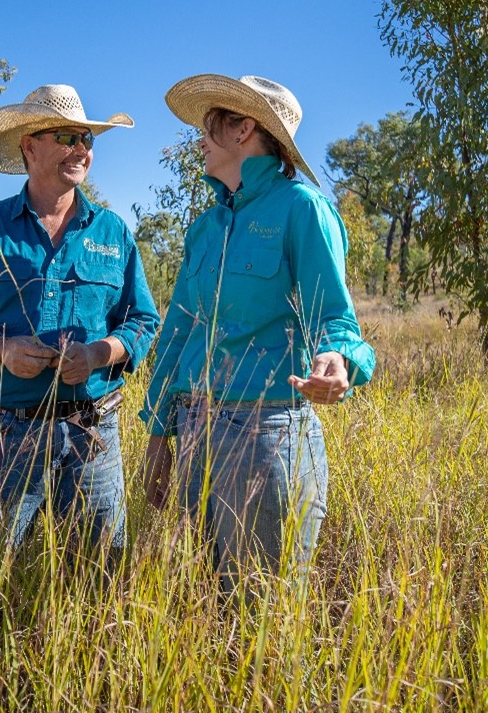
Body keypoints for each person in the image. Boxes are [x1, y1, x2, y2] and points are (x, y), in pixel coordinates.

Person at [141, 73, 376, 590]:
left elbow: (334, 316)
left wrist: (339, 360)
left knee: (262, 610)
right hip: (194, 430)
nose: (200, 139)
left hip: (268, 436)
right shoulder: (205, 228)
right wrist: (159, 432)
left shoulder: (302, 209)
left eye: (209, 126)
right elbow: (178, 333)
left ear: (244, 128)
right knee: (205, 601)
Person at [0, 84, 160, 555]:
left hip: (94, 434)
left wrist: (96, 354)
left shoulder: (113, 232)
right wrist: (2, 351)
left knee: (98, 576)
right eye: (67, 136)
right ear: (30, 145)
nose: (81, 149)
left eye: (88, 139)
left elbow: (143, 321)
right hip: (1, 432)